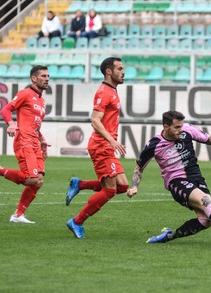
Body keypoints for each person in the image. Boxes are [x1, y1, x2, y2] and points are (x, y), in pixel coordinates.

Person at [126, 110, 211, 243]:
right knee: (205, 201)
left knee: (205, 220)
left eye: (181, 126)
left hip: (196, 177)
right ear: (166, 127)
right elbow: (139, 167)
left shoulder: (187, 130)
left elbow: (208, 139)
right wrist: (134, 186)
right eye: (177, 127)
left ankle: (168, 236)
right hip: (176, 182)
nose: (180, 130)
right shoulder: (154, 144)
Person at [65, 57, 128, 239]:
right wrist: (111, 140)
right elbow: (95, 120)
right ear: (109, 71)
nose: (123, 72)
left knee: (122, 186)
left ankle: (79, 184)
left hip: (107, 146)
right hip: (101, 146)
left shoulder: (113, 91)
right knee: (109, 190)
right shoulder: (104, 92)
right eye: (119, 69)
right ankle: (77, 221)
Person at [0, 65, 50, 224]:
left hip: (34, 141)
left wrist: (42, 140)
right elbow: (5, 109)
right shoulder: (25, 93)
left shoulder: (41, 100)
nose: (47, 79)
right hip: (24, 140)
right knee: (31, 179)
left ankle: (18, 215)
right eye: (43, 76)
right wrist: (11, 123)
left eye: (48, 76)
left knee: (38, 180)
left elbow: (34, 125)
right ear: (34, 78)